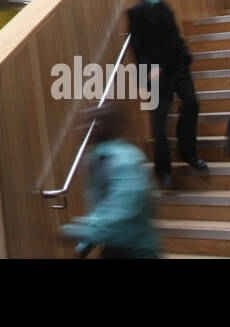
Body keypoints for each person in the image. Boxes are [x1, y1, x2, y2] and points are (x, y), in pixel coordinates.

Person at [126, 0, 205, 189]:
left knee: (191, 103)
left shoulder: (165, 6)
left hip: (178, 67)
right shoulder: (137, 12)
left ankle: (187, 150)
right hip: (157, 73)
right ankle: (163, 169)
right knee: (159, 123)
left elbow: (174, 36)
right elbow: (137, 46)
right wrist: (147, 72)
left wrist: (185, 55)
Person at [60, 102, 159, 258]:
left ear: (104, 126)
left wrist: (81, 232)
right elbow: (102, 208)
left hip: (137, 250)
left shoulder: (126, 159)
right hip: (115, 247)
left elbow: (121, 211)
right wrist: (84, 246)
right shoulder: (97, 158)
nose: (83, 129)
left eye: (91, 122)